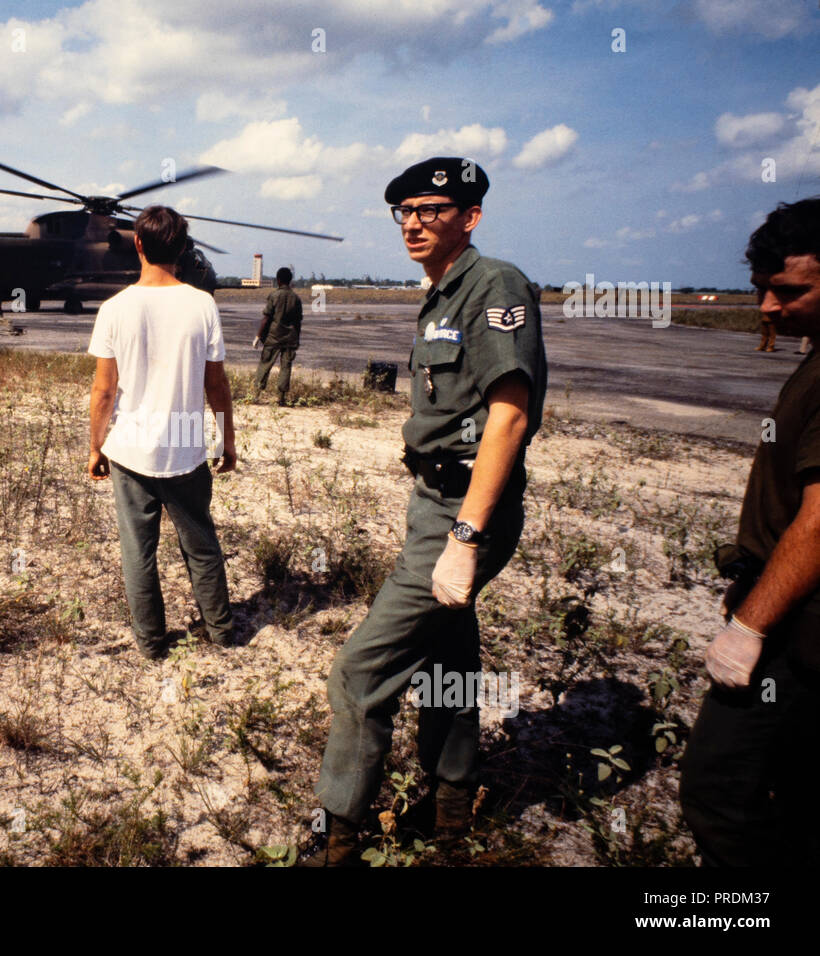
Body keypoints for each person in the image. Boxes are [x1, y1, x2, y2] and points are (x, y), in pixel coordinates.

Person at [300, 157, 547, 865]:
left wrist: (466, 537)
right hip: (434, 500)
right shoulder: (441, 295)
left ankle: (338, 836)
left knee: (360, 671)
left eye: (430, 210)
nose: (412, 223)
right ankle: (450, 811)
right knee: (448, 655)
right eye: (403, 212)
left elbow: (509, 416)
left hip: (465, 509)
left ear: (468, 217)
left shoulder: (493, 285)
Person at [679, 197, 820, 866]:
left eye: (788, 290)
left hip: (797, 628)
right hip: (791, 617)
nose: (766, 307)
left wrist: (750, 627)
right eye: (761, 289)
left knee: (719, 794)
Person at [87, 205, 237, 659]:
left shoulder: (114, 309)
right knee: (202, 546)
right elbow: (217, 383)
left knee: (139, 553)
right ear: (183, 247)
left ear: (138, 244)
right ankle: (223, 631)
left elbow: (103, 391)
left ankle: (152, 644)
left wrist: (96, 447)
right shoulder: (202, 304)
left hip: (131, 452)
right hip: (187, 448)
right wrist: (227, 439)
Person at [252, 266, 302, 405]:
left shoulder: (274, 296)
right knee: (286, 367)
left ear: (278, 280)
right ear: (290, 280)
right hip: (290, 338)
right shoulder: (296, 299)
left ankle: (256, 394)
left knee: (265, 364)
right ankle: (281, 398)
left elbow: (266, 318)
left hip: (274, 337)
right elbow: (298, 322)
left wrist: (258, 336)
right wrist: (297, 338)